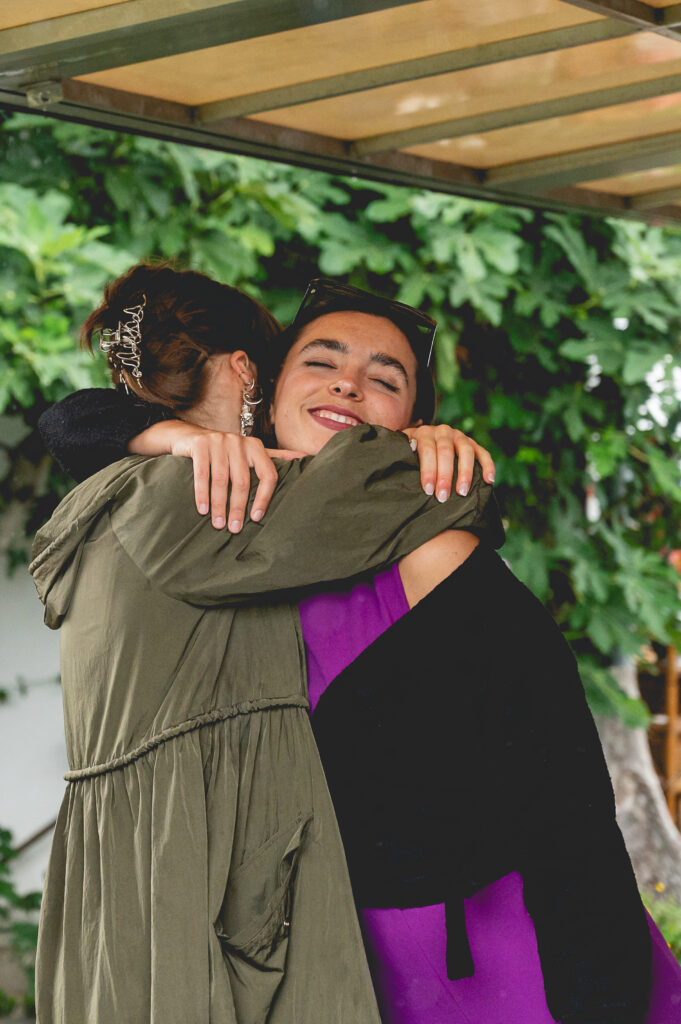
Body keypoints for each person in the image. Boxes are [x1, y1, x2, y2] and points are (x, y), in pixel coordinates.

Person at [38, 271, 680, 1022]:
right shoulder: (224, 532)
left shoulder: (430, 550)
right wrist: (174, 434)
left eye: (386, 379)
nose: (348, 384)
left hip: (498, 965)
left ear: (414, 423)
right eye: (321, 362)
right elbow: (72, 419)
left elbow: (563, 796)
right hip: (326, 966)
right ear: (265, 391)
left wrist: (600, 1000)